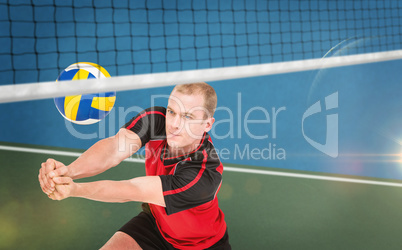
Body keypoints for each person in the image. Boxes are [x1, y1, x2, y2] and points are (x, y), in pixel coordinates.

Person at [38, 82, 231, 249]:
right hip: (157, 227)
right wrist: (67, 172)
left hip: (202, 246)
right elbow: (113, 149)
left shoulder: (204, 174)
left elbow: (132, 189)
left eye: (188, 117)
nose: (174, 124)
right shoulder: (157, 120)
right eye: (172, 112)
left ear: (207, 124)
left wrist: (74, 189)